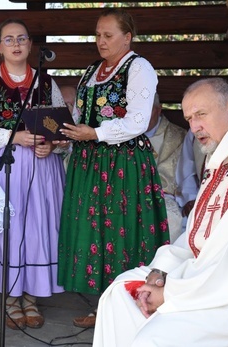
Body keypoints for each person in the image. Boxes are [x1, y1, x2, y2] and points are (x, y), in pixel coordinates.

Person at [92, 77, 228, 346]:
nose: (194, 126)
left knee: (157, 336)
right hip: (220, 276)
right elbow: (199, 231)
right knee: (120, 295)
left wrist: (170, 293)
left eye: (201, 114)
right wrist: (162, 270)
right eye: (189, 118)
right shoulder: (223, 155)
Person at [57, 8, 170, 329]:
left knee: (121, 231)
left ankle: (132, 306)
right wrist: (66, 137)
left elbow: (137, 120)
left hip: (122, 163)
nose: (100, 41)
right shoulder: (93, 69)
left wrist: (95, 134)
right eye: (97, 35)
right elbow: (82, 116)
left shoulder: (139, 68)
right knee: (96, 230)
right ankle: (104, 307)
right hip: (89, 163)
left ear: (127, 37)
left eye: (108, 35)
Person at [0, 18, 69, 330]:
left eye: (21, 38)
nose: (16, 44)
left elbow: (59, 127)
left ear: (31, 45)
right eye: (9, 39)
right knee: (9, 230)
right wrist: (15, 137)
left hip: (41, 170)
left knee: (36, 229)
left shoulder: (47, 83)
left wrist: (54, 146)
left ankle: (32, 297)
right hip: (2, 166)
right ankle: (9, 297)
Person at [144, 93, 190, 243]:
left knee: (168, 217)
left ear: (159, 109)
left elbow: (187, 174)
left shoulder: (179, 136)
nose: (142, 116)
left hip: (164, 196)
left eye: (147, 110)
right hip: (128, 194)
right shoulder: (123, 136)